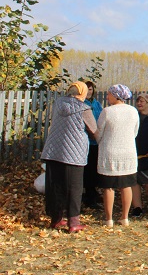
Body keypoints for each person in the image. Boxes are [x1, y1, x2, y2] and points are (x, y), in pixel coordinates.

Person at [40, 81, 98, 233]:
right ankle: (73, 222)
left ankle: (56, 219)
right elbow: (94, 130)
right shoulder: (84, 108)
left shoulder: (59, 103)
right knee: (74, 187)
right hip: (74, 153)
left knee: (55, 186)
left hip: (54, 150)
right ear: (83, 93)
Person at [96, 84, 140, 228]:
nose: (107, 97)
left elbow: (99, 132)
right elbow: (135, 131)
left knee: (109, 187)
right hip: (128, 152)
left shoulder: (107, 112)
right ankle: (124, 217)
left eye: (109, 94)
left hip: (109, 152)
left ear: (116, 96)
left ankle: (109, 219)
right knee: (126, 186)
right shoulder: (133, 111)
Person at [82, 80, 103, 208]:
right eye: (87, 89)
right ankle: (88, 195)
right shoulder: (81, 104)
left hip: (97, 140)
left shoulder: (96, 104)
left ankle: (93, 192)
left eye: (91, 89)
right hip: (86, 141)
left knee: (95, 169)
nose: (89, 92)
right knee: (87, 169)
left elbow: (101, 119)